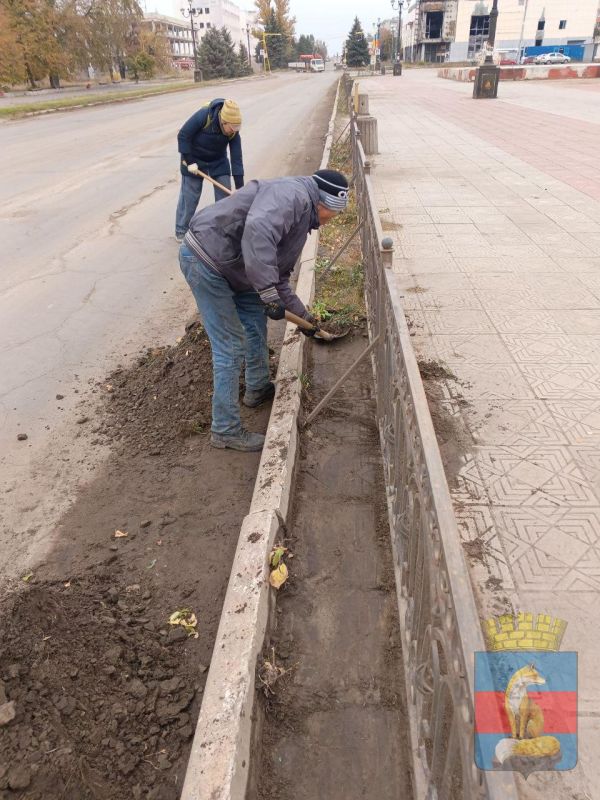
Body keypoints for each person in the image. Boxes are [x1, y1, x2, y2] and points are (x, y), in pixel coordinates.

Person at [179, 169, 349, 452]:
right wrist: (267, 292)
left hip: (239, 267)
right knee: (231, 346)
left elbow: (279, 277)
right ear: (323, 203)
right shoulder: (292, 196)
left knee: (256, 322)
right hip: (208, 260)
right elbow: (257, 231)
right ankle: (225, 430)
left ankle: (257, 388)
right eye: (332, 214)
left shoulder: (303, 214)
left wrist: (305, 319)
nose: (330, 221)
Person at [175, 98, 244, 242]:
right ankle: (181, 230)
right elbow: (183, 135)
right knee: (190, 198)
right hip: (194, 159)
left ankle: (223, 231)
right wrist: (190, 161)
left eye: (237, 128)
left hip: (218, 161)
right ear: (223, 121)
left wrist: (240, 187)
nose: (234, 131)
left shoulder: (233, 131)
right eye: (232, 127)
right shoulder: (204, 115)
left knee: (225, 197)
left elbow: (236, 157)